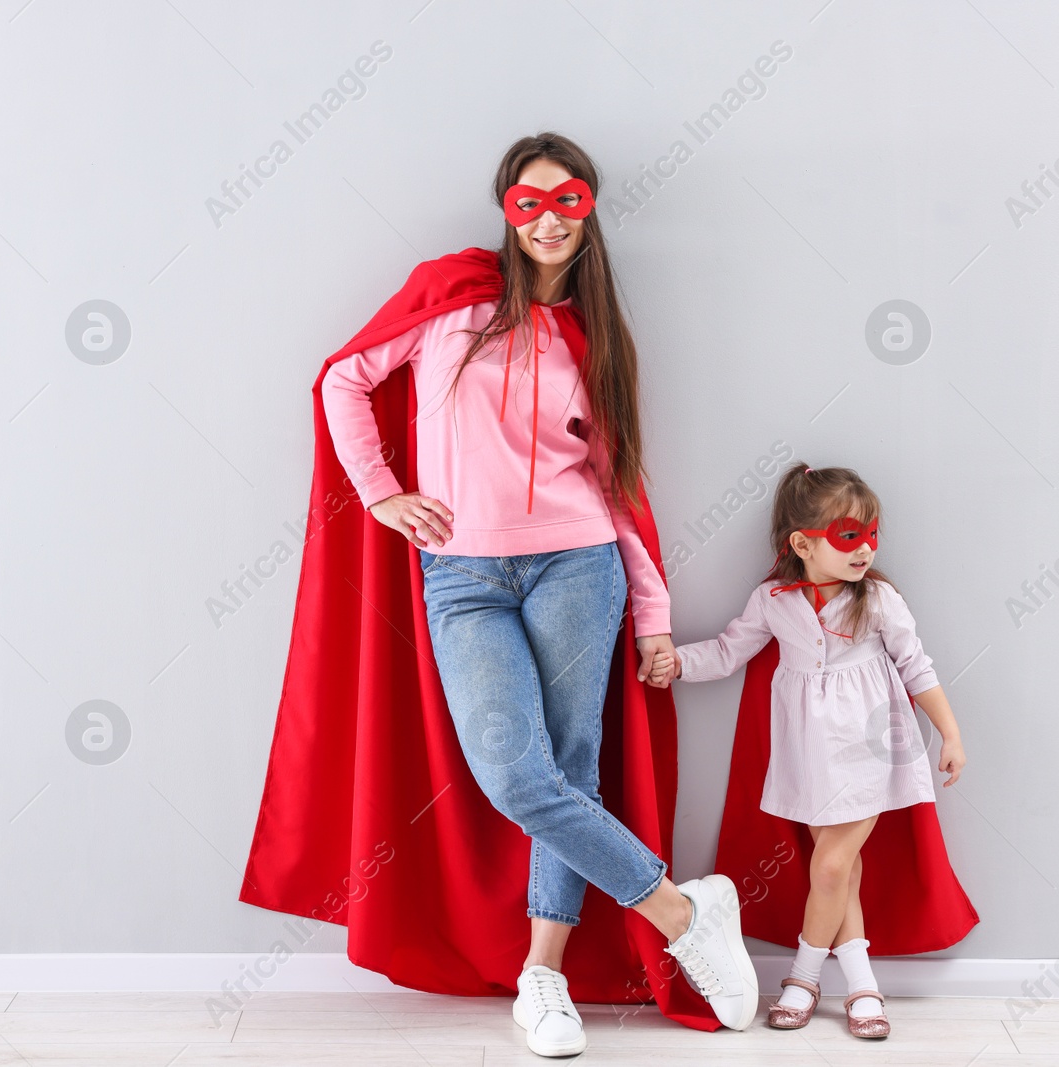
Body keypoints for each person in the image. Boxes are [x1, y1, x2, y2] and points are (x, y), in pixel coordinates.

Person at [318, 132, 758, 1056]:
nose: (549, 219)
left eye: (568, 202)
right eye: (530, 202)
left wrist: (654, 616)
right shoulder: (450, 295)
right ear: (506, 209)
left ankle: (544, 979)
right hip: (463, 572)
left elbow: (618, 486)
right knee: (515, 771)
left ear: (589, 211)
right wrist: (380, 492)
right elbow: (343, 378)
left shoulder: (593, 337)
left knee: (570, 764)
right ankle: (684, 911)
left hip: (579, 563)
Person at [648, 463, 967, 1039]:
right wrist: (676, 665)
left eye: (872, 535)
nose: (864, 549)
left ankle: (803, 977)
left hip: (871, 745)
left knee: (832, 865)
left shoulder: (879, 599)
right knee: (837, 874)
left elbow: (917, 665)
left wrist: (949, 733)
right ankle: (862, 983)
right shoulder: (773, 600)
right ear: (802, 543)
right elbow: (728, 652)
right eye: (850, 536)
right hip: (806, 751)